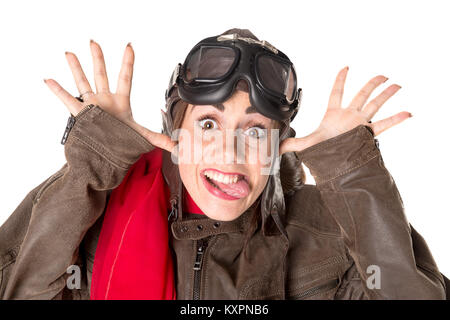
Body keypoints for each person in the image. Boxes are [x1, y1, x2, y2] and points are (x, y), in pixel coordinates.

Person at [0, 28, 448, 300]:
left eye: (256, 132)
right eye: (209, 124)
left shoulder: (329, 230)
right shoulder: (89, 210)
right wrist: (91, 164)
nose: (229, 155)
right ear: (175, 134)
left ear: (280, 146)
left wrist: (351, 170)